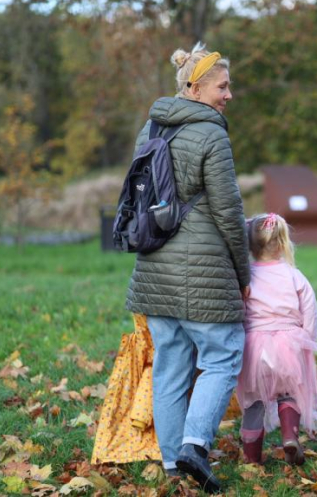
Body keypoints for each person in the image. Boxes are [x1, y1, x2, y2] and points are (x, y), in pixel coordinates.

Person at [125, 42, 251, 494]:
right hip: (203, 269)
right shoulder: (212, 134)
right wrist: (243, 274)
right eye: (223, 86)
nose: (229, 94)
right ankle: (195, 445)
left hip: (154, 265)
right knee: (223, 354)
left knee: (170, 366)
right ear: (196, 88)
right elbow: (228, 212)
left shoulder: (151, 126)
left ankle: (173, 466)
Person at [236, 213, 317, 466]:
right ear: (284, 243)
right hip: (289, 345)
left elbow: (239, 310)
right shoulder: (294, 275)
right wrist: (307, 341)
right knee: (289, 395)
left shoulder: (246, 278)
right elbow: (310, 310)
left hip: (254, 348)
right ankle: (290, 437)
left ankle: (252, 459)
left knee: (254, 402)